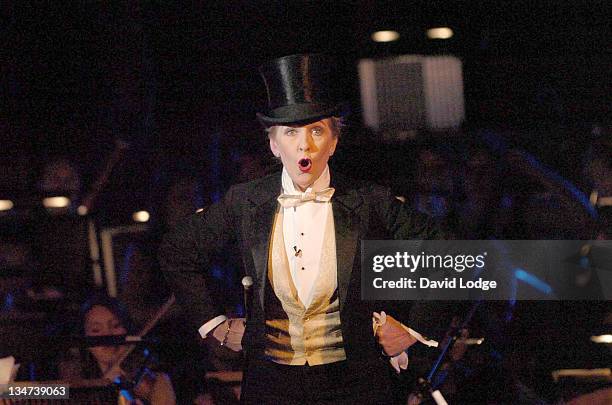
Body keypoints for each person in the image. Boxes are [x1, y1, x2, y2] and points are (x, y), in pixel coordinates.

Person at [160, 53, 443, 404]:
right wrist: (214, 324)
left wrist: (414, 329)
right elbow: (177, 252)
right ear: (274, 144)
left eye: (317, 131)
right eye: (291, 132)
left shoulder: (370, 200)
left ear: (334, 142)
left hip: (355, 385)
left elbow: (443, 249)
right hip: (272, 387)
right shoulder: (245, 201)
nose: (304, 145)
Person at [58, 295, 176, 405]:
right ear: (84, 338)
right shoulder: (72, 377)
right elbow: (43, 393)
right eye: (96, 330)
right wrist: (102, 384)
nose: (108, 335)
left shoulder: (156, 380)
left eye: (115, 326)